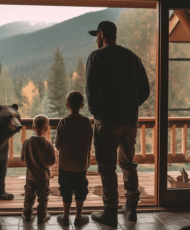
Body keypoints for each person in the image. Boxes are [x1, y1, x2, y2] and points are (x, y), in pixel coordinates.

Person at [86, 21, 150, 227]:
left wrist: (97, 113)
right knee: (128, 164)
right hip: (129, 121)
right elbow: (145, 91)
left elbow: (90, 90)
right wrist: (130, 106)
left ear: (102, 34)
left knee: (106, 167)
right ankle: (131, 209)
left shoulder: (96, 57)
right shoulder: (133, 58)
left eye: (96, 35)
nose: (96, 39)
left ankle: (110, 211)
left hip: (106, 121)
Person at [55, 91, 93, 227]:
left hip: (65, 164)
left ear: (67, 105)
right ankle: (78, 216)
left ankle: (65, 216)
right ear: (82, 106)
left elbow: (57, 144)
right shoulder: (86, 122)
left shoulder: (63, 122)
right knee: (80, 188)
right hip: (81, 164)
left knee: (66, 189)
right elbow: (89, 143)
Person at [21, 114, 56, 224]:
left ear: (33, 127)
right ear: (46, 129)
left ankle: (27, 214)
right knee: (43, 198)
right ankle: (41, 216)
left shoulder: (27, 142)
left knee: (29, 196)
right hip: (43, 177)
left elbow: (22, 158)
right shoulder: (48, 143)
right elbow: (52, 161)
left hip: (30, 176)